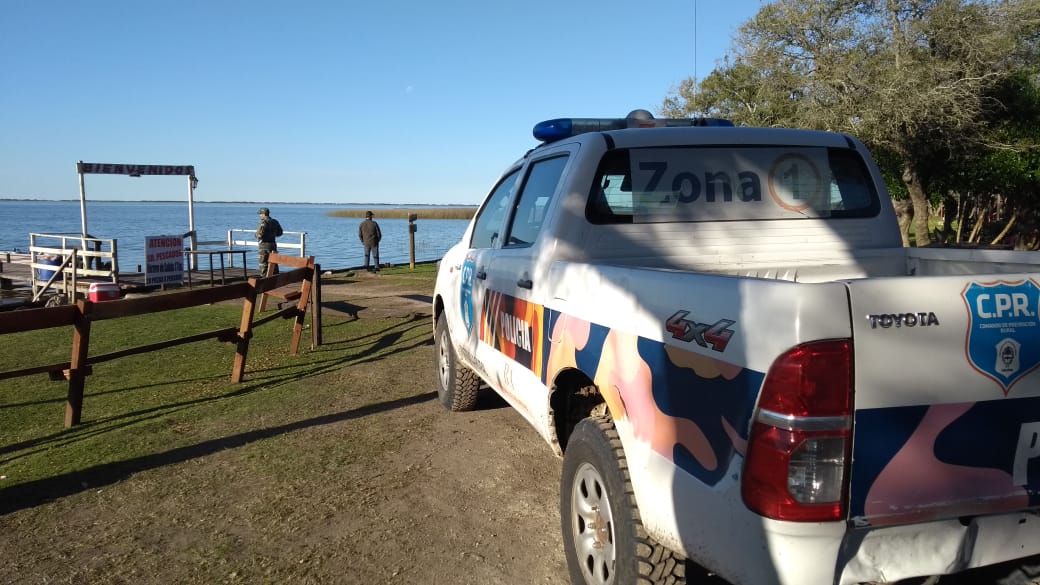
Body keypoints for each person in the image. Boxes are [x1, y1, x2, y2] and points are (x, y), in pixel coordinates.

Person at [255, 207, 283, 276]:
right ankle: (275, 278)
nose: (260, 215)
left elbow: (259, 235)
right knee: (274, 262)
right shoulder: (275, 221)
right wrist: (273, 234)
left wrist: (257, 236)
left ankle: (264, 279)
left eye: (260, 214)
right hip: (273, 245)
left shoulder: (263, 222)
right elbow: (280, 233)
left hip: (264, 246)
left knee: (263, 263)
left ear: (264, 214)